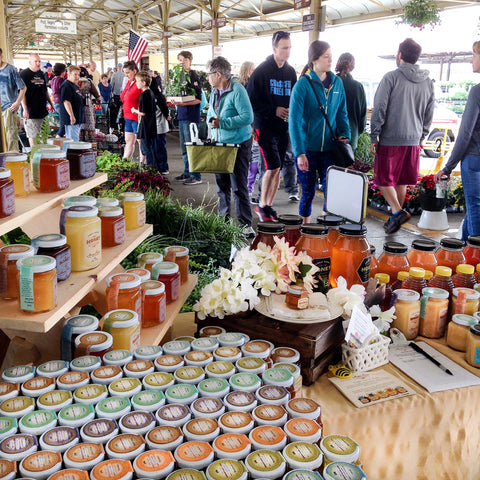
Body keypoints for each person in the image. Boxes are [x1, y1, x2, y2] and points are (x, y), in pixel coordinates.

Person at [370, 38, 435, 234]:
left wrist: (375, 135)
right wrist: (421, 136)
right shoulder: (428, 82)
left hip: (391, 138)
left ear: (399, 55)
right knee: (400, 181)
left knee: (381, 179)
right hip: (414, 140)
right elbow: (429, 114)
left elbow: (380, 107)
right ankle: (394, 220)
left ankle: (397, 212)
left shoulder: (391, 77)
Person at [289, 40, 350, 223]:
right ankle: (304, 230)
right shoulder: (302, 86)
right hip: (307, 150)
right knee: (308, 190)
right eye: (326, 57)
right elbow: (294, 121)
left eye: (331, 56)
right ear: (314, 60)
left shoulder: (338, 83)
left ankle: (325, 227)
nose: (331, 60)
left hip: (330, 148)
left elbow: (342, 112)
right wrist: (299, 152)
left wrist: (345, 133)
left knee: (331, 190)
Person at [247, 31, 297, 221]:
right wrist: (273, 109)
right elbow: (251, 100)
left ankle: (268, 204)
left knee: (278, 167)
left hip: (283, 126)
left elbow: (294, 98)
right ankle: (261, 204)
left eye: (290, 47)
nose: (288, 51)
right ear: (274, 48)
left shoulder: (291, 72)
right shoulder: (261, 71)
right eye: (284, 48)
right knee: (272, 165)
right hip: (264, 125)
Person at [435, 41, 480, 239]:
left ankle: (474, 259)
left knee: (475, 207)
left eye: (474, 55)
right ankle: (463, 251)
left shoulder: (477, 91)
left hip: (474, 159)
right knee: (473, 211)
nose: (471, 60)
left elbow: (465, 133)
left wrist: (447, 166)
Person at [206, 56, 254, 235]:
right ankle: (223, 222)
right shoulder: (213, 92)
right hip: (219, 144)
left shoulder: (238, 90)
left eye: (209, 74)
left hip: (238, 145)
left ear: (218, 74)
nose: (207, 78)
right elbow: (213, 115)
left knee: (238, 186)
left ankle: (245, 225)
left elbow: (248, 117)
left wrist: (222, 123)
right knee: (222, 185)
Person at [173, 50, 203, 185]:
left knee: (192, 146)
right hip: (182, 115)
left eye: (183, 60)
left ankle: (196, 175)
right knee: (184, 147)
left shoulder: (193, 76)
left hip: (191, 116)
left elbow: (198, 100)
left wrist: (182, 102)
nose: (181, 62)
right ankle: (187, 171)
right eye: (179, 60)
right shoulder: (180, 77)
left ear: (190, 60)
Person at [20, 53, 54, 147]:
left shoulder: (41, 74)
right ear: (30, 62)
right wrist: (25, 109)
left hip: (42, 110)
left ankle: (43, 158)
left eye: (39, 61)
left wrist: (51, 103)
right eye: (36, 61)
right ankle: (34, 156)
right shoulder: (24, 74)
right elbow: (22, 94)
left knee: (44, 135)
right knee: (33, 136)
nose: (38, 63)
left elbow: (45, 90)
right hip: (31, 112)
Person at [335, 52, 367, 151]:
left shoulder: (332, 84)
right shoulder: (358, 86)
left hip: (332, 134)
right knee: (346, 166)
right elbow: (363, 115)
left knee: (330, 166)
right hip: (351, 134)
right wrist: (358, 131)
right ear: (352, 67)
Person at [0, 47, 26, 152]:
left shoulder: (10, 69)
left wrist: (17, 102)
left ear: (1, 57)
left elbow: (23, 87)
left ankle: (12, 159)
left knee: (10, 135)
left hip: (8, 106)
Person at [132, 71, 157, 168]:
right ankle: (152, 167)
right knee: (149, 147)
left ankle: (151, 169)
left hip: (145, 125)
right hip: (152, 125)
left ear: (144, 82)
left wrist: (134, 110)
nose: (136, 83)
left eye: (138, 81)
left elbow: (143, 112)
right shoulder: (151, 93)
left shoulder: (143, 95)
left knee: (146, 149)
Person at [120, 60, 142, 160]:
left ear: (134, 71)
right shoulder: (129, 82)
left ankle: (143, 163)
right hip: (127, 116)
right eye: (125, 73)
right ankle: (125, 162)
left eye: (128, 72)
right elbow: (123, 96)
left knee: (140, 141)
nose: (126, 75)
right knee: (128, 141)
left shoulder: (139, 83)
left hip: (136, 117)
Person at [59, 65, 85, 142]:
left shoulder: (74, 85)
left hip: (78, 118)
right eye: (75, 74)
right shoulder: (66, 86)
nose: (77, 77)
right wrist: (72, 116)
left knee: (75, 140)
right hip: (72, 120)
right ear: (69, 74)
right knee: (73, 142)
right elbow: (66, 102)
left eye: (78, 74)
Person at [78, 68, 101, 140]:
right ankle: (91, 144)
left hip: (78, 107)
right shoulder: (89, 82)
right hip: (88, 106)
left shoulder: (75, 82)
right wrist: (98, 101)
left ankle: (80, 143)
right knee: (90, 127)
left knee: (80, 128)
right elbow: (96, 94)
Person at [50, 63, 66, 138]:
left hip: (55, 102)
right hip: (61, 103)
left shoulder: (53, 80)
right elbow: (63, 92)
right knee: (63, 123)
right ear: (63, 71)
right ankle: (58, 138)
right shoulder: (61, 80)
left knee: (61, 122)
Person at [110, 62, 125, 129]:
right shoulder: (124, 75)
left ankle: (114, 124)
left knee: (115, 110)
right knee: (123, 110)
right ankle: (122, 123)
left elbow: (111, 85)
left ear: (117, 67)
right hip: (123, 95)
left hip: (116, 94)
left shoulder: (114, 75)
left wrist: (112, 92)